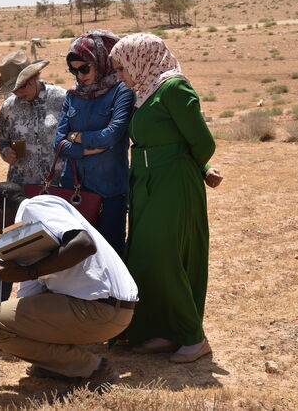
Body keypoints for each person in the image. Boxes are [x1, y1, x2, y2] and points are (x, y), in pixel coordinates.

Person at [0, 182, 138, 389]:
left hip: (101, 309)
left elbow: (84, 244)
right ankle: (58, 366)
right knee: (0, 320)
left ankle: (93, 369)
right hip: (110, 311)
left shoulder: (35, 207)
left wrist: (27, 272)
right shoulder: (30, 237)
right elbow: (17, 318)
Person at [110, 33, 223, 363]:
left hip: (173, 182)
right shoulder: (144, 92)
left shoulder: (174, 88)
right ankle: (160, 331)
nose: (119, 75)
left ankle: (192, 336)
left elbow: (203, 142)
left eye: (121, 68)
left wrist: (194, 167)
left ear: (139, 60)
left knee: (167, 257)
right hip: (146, 183)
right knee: (145, 257)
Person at [0, 49, 67, 303]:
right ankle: (0, 303)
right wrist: (6, 153)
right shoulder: (8, 108)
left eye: (23, 85)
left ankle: (55, 297)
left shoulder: (61, 99)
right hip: (22, 188)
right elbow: (1, 140)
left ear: (36, 76)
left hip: (57, 188)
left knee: (57, 244)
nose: (20, 92)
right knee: (14, 245)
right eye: (14, 89)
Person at [54, 29, 135, 258]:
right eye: (74, 70)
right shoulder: (72, 95)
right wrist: (90, 148)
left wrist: (77, 138)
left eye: (84, 68)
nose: (79, 76)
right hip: (75, 190)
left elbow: (112, 135)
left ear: (100, 62)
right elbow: (58, 144)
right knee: (77, 257)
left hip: (110, 193)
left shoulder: (122, 91)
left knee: (111, 256)